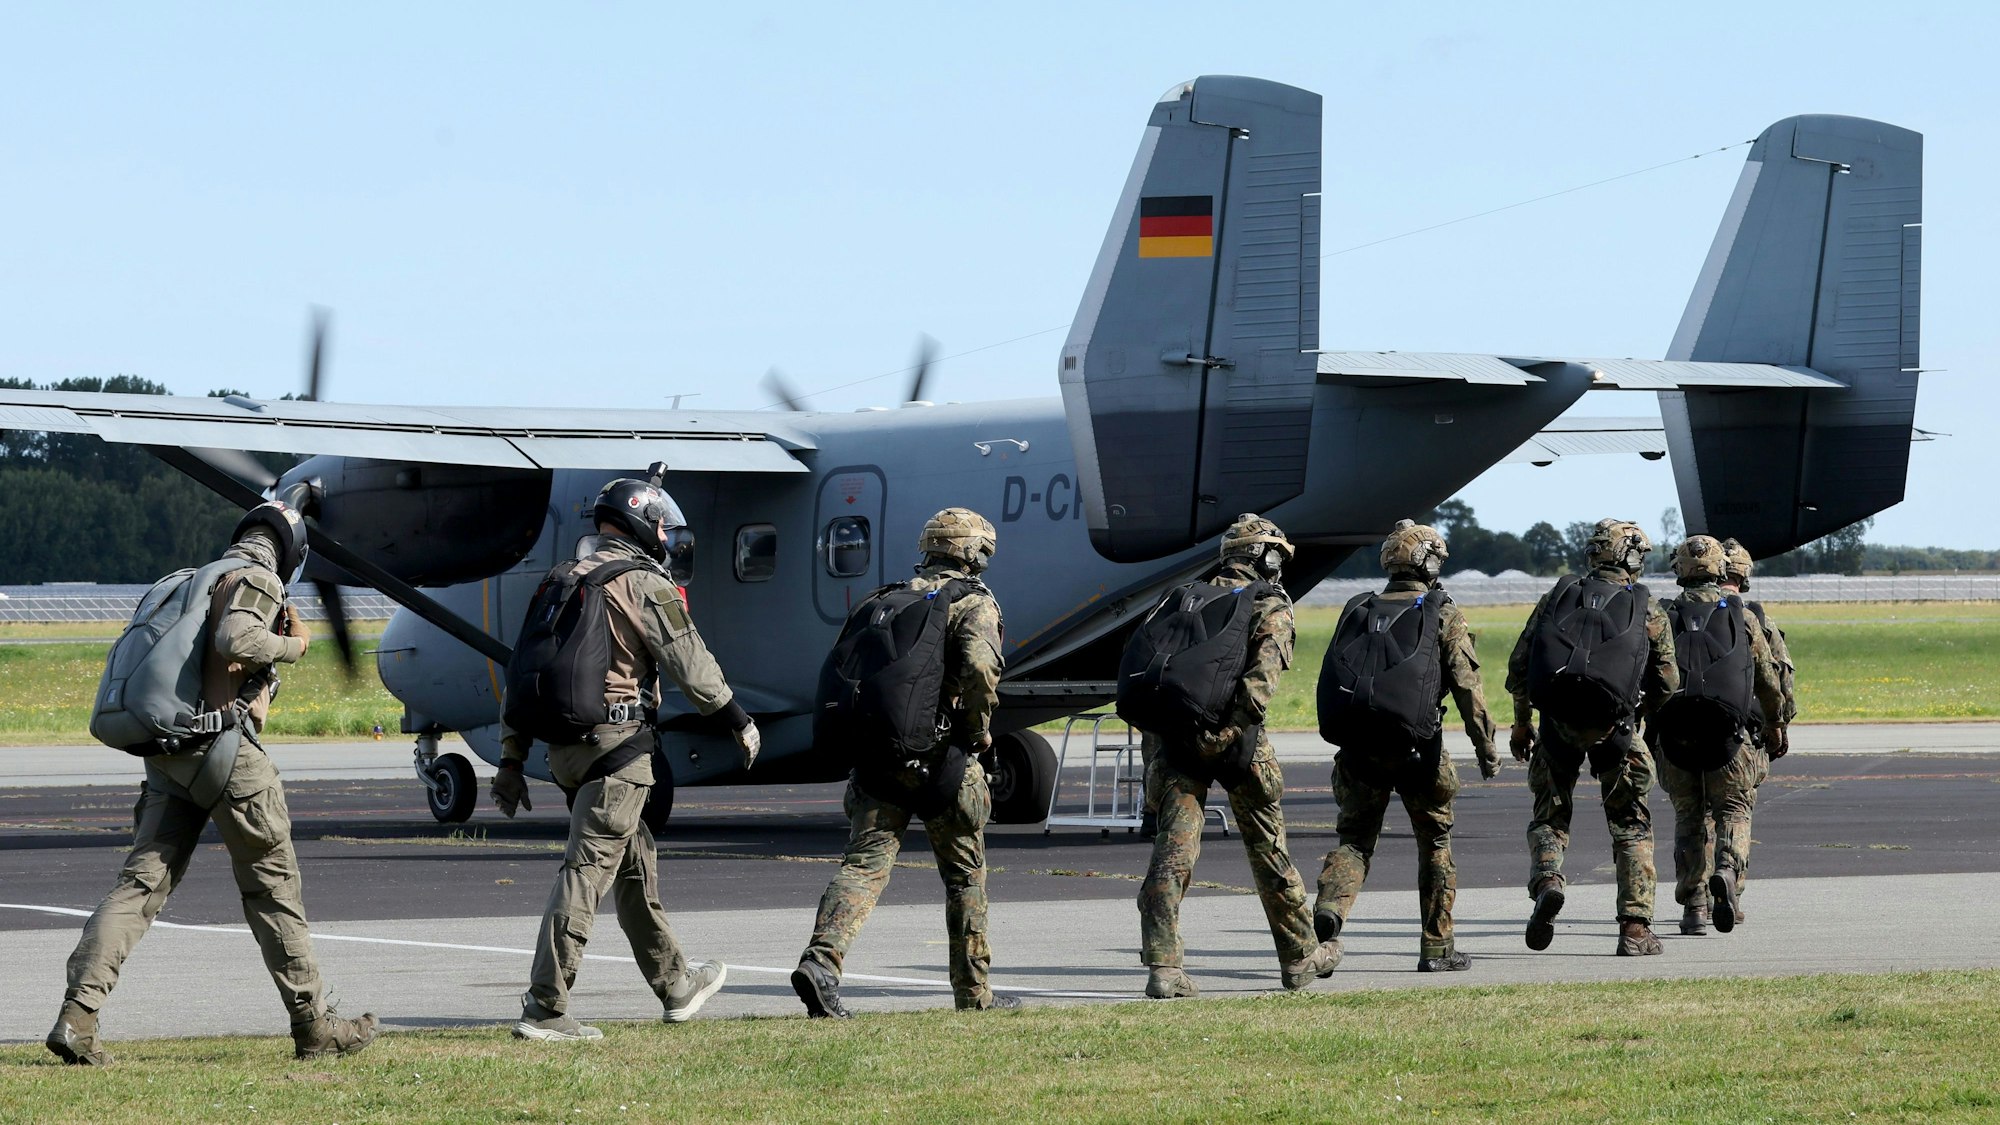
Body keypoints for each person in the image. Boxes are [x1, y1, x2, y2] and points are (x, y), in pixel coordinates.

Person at [49, 502, 378, 1064]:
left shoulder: (187, 582)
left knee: (139, 886)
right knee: (273, 890)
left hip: (170, 755)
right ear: (290, 553)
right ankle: (314, 1026)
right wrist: (293, 648)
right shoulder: (256, 578)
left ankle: (78, 1017)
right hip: (226, 754)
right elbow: (237, 640)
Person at [492, 475, 760, 1041]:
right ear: (642, 522)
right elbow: (690, 662)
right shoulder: (643, 583)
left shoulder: (562, 579)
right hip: (619, 749)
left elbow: (524, 674)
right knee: (586, 872)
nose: (666, 534)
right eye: (661, 523)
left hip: (566, 751)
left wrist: (512, 761)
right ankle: (546, 1006)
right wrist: (738, 720)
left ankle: (676, 985)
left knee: (634, 871)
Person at [791, 508, 1013, 1018]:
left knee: (863, 866)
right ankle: (974, 995)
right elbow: (981, 670)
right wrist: (978, 733)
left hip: (878, 758)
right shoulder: (973, 603)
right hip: (945, 764)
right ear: (977, 552)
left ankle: (822, 962)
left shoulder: (884, 598)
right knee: (964, 878)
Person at [1135, 515, 1341, 999]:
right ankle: (1299, 957)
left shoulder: (1180, 598)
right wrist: (1227, 733)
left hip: (1175, 743)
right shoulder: (1270, 604)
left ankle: (1163, 968)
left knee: (1172, 855)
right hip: (1240, 745)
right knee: (1270, 850)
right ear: (1265, 558)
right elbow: (1260, 684)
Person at [1312, 520, 1500, 972]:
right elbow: (1466, 687)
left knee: (1355, 840)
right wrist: (1486, 747)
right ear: (1430, 562)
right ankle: (1438, 948)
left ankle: (1332, 908)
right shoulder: (1442, 611)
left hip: (1358, 748)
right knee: (1435, 841)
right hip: (1420, 751)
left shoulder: (1358, 607)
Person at [1506, 519, 1679, 956]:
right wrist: (1637, 712)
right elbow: (1668, 680)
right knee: (1631, 825)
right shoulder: (1646, 606)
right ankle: (1635, 929)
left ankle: (1547, 878)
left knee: (1549, 817)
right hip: (1617, 730)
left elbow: (1519, 668)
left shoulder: (1559, 595)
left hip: (1556, 726)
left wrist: (1523, 723)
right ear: (1633, 557)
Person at [1650, 536, 1789, 935]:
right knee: (1734, 811)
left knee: (1688, 818)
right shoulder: (1741, 616)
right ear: (1721, 570)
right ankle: (1727, 873)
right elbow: (1768, 680)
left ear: (1680, 569)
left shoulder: (1660, 614)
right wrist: (1776, 723)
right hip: (1730, 738)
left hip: (1675, 738)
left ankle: (1694, 906)